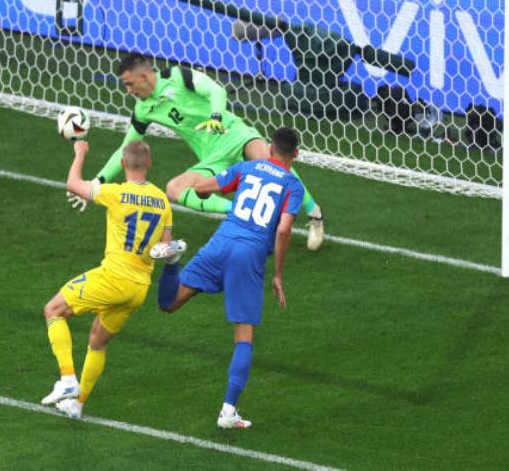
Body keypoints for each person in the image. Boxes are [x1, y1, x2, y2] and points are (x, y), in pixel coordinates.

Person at [66, 52, 325, 251]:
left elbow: (216, 90)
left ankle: (314, 214)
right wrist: (96, 182)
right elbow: (125, 149)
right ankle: (238, 210)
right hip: (212, 157)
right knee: (174, 189)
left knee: (272, 165)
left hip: (234, 134)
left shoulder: (177, 76)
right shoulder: (142, 110)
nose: (128, 90)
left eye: (129, 83)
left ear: (143, 76)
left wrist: (216, 116)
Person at [150, 127, 303, 429]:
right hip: (248, 254)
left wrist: (210, 186)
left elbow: (202, 188)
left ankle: (173, 260)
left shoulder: (245, 168)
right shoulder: (293, 186)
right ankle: (228, 411)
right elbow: (284, 229)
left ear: (270, 149)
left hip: (221, 242)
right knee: (244, 335)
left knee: (169, 303)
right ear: (295, 154)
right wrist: (278, 275)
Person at [41, 139, 177, 419]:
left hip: (113, 278)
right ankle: (76, 404)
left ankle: (67, 379)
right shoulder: (162, 200)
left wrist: (80, 153)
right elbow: (164, 247)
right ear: (149, 164)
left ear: (123, 164)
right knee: (97, 340)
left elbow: (73, 184)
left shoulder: (116, 192)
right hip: (138, 288)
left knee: (53, 310)